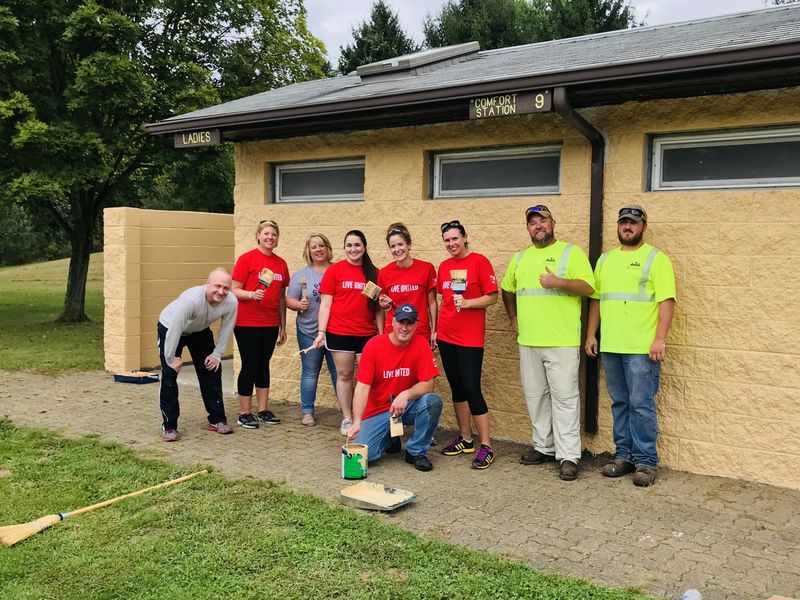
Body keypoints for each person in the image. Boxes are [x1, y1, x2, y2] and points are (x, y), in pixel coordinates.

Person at [500, 205, 595, 481]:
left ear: (553, 222)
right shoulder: (520, 258)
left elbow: (589, 288)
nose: (538, 226)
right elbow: (508, 289)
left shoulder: (570, 252)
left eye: (542, 220)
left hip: (561, 341)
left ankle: (568, 456)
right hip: (529, 341)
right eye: (532, 222)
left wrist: (559, 282)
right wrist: (513, 318)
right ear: (527, 228)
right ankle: (544, 446)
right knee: (536, 397)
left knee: (565, 399)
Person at [585, 204, 676, 487]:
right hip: (611, 346)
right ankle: (623, 456)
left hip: (641, 348)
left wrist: (659, 337)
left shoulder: (656, 259)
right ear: (618, 226)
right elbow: (597, 300)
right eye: (623, 222)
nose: (628, 227)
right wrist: (591, 335)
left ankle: (646, 461)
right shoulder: (605, 260)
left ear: (643, 227)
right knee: (620, 403)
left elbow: (667, 301)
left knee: (640, 404)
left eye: (633, 223)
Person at [347, 303, 443, 471]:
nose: (404, 328)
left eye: (409, 323)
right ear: (392, 322)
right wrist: (357, 421)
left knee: (432, 401)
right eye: (401, 322)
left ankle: (416, 451)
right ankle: (392, 436)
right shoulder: (374, 345)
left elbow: (429, 384)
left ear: (416, 324)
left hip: (404, 407)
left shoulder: (421, 344)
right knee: (362, 457)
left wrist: (405, 394)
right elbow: (362, 387)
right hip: (377, 411)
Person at [436, 220, 498, 469]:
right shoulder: (444, 267)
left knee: (472, 389)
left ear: (464, 238)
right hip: (446, 335)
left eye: (455, 239)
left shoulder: (479, 261)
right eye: (447, 240)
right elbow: (445, 299)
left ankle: (486, 446)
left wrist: (470, 303)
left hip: (470, 338)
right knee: (457, 388)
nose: (451, 244)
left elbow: (493, 297)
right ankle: (465, 438)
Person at [157, 267, 238, 441]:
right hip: (171, 328)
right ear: (206, 285)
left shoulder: (231, 301)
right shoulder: (191, 300)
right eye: (217, 286)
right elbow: (175, 329)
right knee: (170, 375)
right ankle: (169, 426)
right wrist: (170, 359)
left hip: (199, 331)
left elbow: (227, 328)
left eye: (226, 288)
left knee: (212, 369)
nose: (221, 291)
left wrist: (217, 354)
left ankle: (217, 419)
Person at [312, 230, 381, 435]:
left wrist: (381, 334)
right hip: (339, 332)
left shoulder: (374, 273)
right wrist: (321, 332)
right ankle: (347, 418)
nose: (353, 249)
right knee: (344, 375)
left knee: (368, 378)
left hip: (366, 334)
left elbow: (377, 308)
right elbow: (325, 305)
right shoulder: (335, 271)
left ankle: (367, 417)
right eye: (349, 245)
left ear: (364, 247)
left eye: (357, 245)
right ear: (344, 248)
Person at [231, 219, 289, 429]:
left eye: (273, 234)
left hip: (270, 323)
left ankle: (263, 410)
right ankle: (245, 413)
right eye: (266, 233)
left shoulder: (281, 263)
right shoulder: (247, 259)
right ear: (258, 235)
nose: (270, 237)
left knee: (264, 366)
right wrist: (250, 294)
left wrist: (283, 325)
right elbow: (234, 289)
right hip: (247, 322)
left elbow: (281, 298)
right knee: (250, 365)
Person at [286, 233, 338, 426]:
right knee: (310, 371)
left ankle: (347, 412)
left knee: (339, 373)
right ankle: (307, 411)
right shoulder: (301, 275)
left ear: (328, 248)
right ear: (308, 251)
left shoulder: (338, 270)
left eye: (321, 245)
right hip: (308, 331)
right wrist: (299, 305)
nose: (318, 249)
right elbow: (289, 300)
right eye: (313, 247)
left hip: (336, 332)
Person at [377, 223, 438, 348]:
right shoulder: (384, 273)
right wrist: (384, 304)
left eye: (400, 244)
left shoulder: (427, 269)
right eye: (392, 246)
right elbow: (382, 305)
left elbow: (432, 302)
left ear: (408, 245)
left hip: (420, 331)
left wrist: (434, 330)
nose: (397, 249)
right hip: (393, 333)